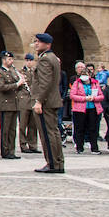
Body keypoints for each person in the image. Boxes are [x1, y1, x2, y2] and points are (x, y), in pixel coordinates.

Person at [29, 33, 65, 173]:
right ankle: (58, 162)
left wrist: (39, 101)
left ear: (47, 44)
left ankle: (52, 163)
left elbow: (45, 84)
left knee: (47, 134)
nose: (36, 44)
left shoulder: (45, 60)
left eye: (39, 42)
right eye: (36, 41)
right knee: (54, 133)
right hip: (52, 101)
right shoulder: (53, 58)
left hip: (46, 102)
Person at [0, 52, 24, 159]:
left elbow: (16, 87)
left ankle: (11, 150)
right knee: (5, 129)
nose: (11, 61)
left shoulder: (13, 72)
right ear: (4, 60)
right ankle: (5, 151)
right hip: (5, 104)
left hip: (14, 104)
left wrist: (21, 84)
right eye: (9, 59)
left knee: (12, 130)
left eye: (12, 59)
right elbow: (1, 87)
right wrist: (16, 84)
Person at [69, 61, 103, 154]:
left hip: (92, 108)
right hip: (80, 109)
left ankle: (94, 148)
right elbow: (72, 95)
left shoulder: (95, 83)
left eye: (86, 74)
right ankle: (79, 147)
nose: (84, 76)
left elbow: (101, 96)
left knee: (93, 128)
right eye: (82, 74)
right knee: (79, 128)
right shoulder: (77, 83)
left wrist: (94, 98)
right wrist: (84, 98)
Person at [18, 53, 39, 153]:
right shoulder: (21, 72)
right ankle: (23, 145)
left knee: (33, 125)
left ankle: (33, 145)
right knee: (23, 124)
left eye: (31, 60)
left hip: (33, 100)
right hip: (24, 100)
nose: (29, 62)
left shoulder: (36, 72)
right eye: (27, 60)